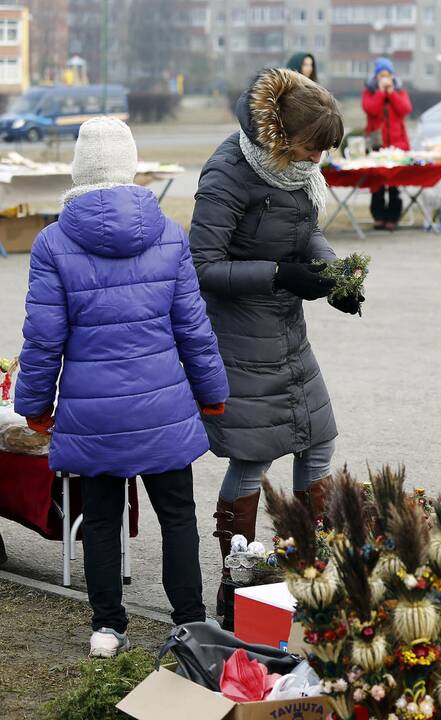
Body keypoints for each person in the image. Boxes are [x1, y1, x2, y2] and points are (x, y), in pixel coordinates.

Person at [14, 117, 229, 657]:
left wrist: (35, 408)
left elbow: (43, 338)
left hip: (94, 415)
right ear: (131, 167)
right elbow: (193, 328)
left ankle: (108, 626)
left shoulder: (53, 242)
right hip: (165, 405)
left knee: (103, 518)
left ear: (79, 168)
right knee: (178, 515)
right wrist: (211, 392)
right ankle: (191, 624)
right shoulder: (168, 235)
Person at [189, 68, 357, 618]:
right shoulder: (227, 175)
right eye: (310, 150)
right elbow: (203, 266)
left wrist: (334, 277)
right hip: (237, 334)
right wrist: (281, 276)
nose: (316, 162)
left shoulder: (296, 175)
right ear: (280, 138)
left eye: (322, 153)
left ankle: (309, 572)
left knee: (318, 439)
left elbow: (304, 231)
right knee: (250, 455)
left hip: (286, 330)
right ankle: (238, 579)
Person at [362, 57, 412, 231]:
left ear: (392, 76)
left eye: (387, 75)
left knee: (394, 184)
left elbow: (405, 109)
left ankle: (393, 217)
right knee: (377, 183)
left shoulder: (400, 92)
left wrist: (391, 93)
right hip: (377, 145)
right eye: (381, 75)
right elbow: (371, 110)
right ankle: (378, 216)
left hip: (397, 145)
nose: (384, 78)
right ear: (376, 77)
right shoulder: (370, 92)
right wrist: (381, 93)